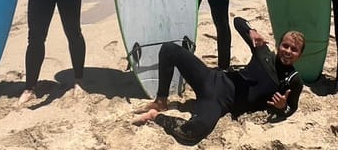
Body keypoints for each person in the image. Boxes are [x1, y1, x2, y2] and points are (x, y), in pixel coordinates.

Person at [130, 17, 304, 145]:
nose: (288, 51)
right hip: (211, 78)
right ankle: (161, 101)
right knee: (169, 49)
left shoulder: (293, 81)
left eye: (294, 49)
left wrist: (282, 108)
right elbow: (237, 21)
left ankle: (156, 116)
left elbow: (291, 108)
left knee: (193, 132)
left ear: (300, 55)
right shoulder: (262, 51)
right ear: (278, 45)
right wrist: (250, 30)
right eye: (285, 46)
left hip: (219, 102)